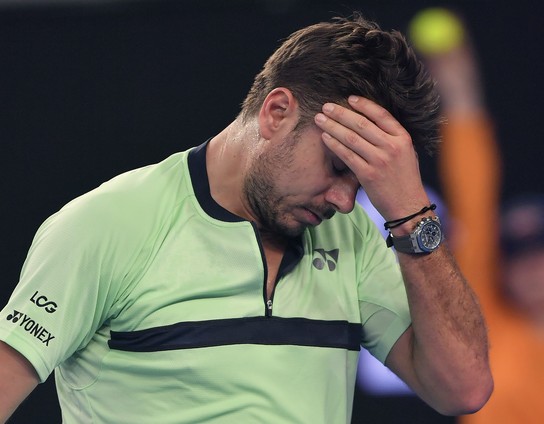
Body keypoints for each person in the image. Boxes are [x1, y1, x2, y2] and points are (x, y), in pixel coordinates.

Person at [0, 15, 492, 423]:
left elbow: (464, 390)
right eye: (339, 167)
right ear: (277, 112)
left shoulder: (355, 237)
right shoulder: (106, 224)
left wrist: (411, 216)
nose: (345, 201)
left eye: (364, 183)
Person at [411, 9, 544, 423]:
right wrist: (460, 94)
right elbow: (473, 195)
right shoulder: (484, 330)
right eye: (517, 255)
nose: (533, 268)